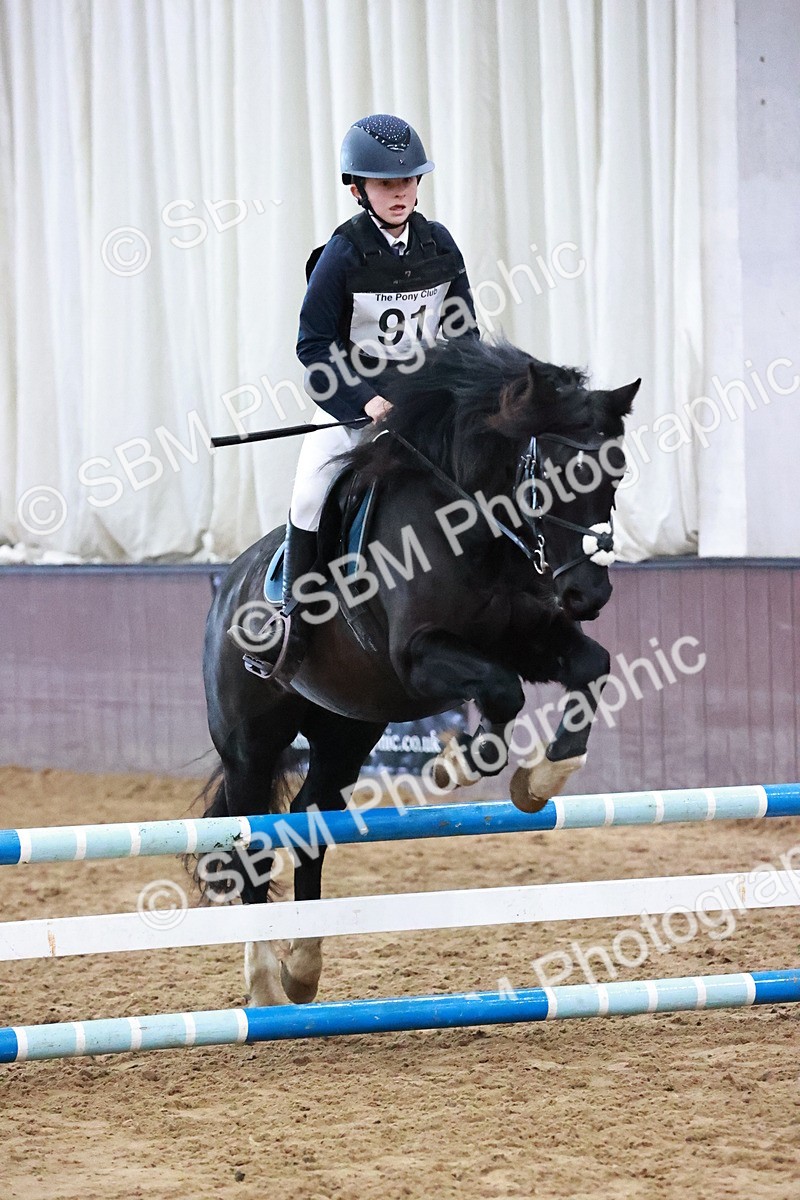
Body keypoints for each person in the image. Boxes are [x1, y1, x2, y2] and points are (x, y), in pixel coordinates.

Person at [230, 113, 478, 678]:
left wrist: (463, 395)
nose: (401, 193)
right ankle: (291, 621)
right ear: (357, 188)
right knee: (309, 495)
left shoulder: (439, 245)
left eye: (409, 182)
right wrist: (365, 402)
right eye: (387, 184)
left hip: (424, 408)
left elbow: (463, 333)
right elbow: (314, 345)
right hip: (354, 404)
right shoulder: (343, 253)